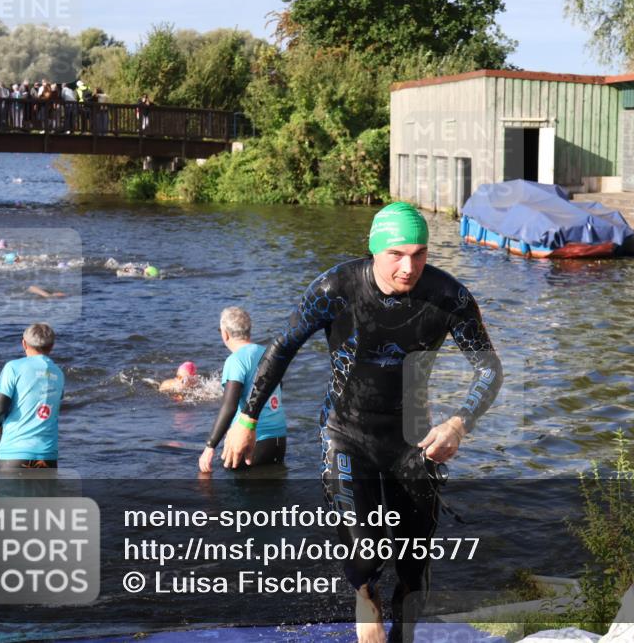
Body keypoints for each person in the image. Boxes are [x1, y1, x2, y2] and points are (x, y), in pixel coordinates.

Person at [222, 202, 503, 643]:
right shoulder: (336, 287)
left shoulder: (450, 297)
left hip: (414, 440)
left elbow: (489, 369)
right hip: (345, 432)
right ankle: (364, 594)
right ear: (374, 251)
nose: (408, 267)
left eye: (419, 253)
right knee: (365, 548)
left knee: (414, 566)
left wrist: (458, 424)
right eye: (396, 254)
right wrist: (246, 417)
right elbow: (281, 348)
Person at [199, 307, 287, 473]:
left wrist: (210, 446)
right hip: (279, 439)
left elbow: (229, 406)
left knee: (241, 496)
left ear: (225, 333)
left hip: (251, 440)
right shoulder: (269, 354)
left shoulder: (235, 361)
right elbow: (278, 387)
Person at [0, 323, 65, 470]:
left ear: (24, 343)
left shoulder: (13, 367)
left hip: (13, 455)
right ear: (52, 346)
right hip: (47, 456)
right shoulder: (59, 374)